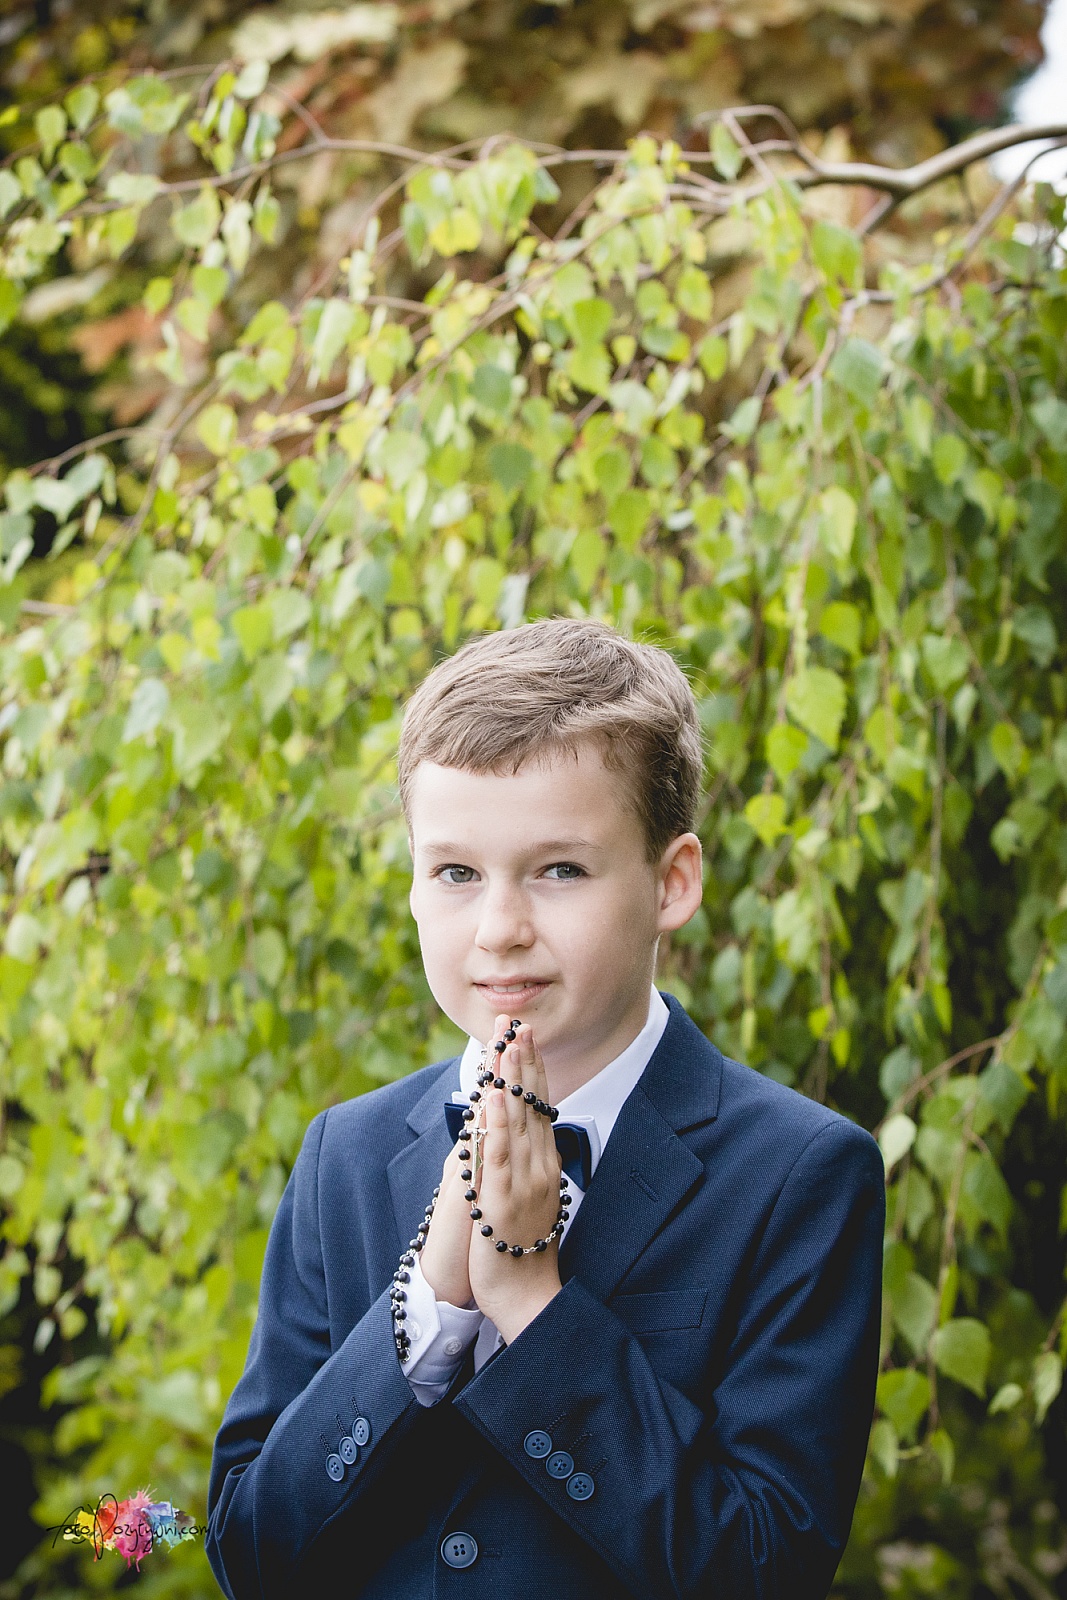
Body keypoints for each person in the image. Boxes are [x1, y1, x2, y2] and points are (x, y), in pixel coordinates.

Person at [205, 618, 885, 1599]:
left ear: (671, 882)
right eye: (455, 872)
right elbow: (250, 1553)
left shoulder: (800, 1174)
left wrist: (532, 1301)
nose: (499, 929)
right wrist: (429, 1303)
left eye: (558, 869)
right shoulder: (342, 1154)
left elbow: (762, 1569)